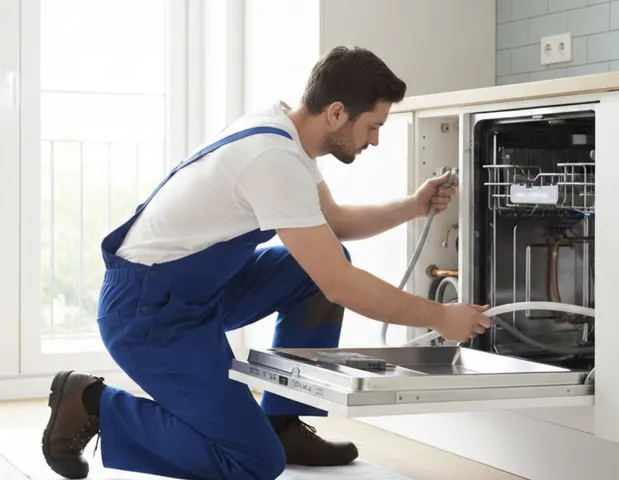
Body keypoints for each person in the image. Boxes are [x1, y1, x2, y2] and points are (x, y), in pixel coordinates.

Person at [40, 46, 492, 480]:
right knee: (252, 462)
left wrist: (413, 206)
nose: (375, 139)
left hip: (197, 290)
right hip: (150, 312)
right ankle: (93, 402)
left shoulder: (284, 131)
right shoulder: (273, 158)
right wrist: (440, 316)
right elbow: (340, 284)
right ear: (336, 113)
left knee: (310, 271)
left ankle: (281, 421)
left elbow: (331, 223)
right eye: (373, 126)